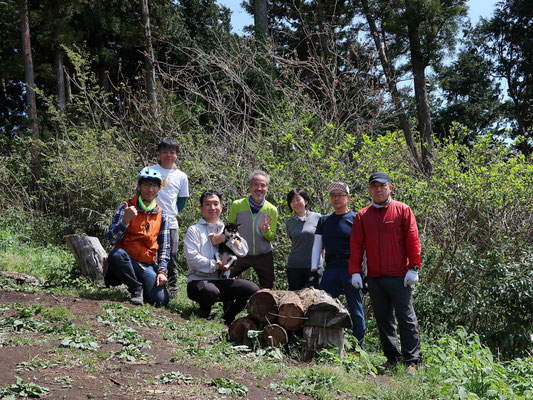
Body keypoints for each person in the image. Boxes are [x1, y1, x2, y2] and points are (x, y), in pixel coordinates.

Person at [349, 172, 421, 373]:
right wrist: (355, 272)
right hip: (374, 277)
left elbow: (413, 240)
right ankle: (392, 359)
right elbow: (356, 245)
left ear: (390, 187)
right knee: (383, 319)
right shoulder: (363, 215)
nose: (378, 189)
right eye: (374, 186)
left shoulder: (402, 210)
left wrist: (414, 267)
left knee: (406, 317)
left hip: (399, 275)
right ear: (369, 190)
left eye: (382, 186)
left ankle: (412, 362)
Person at [183, 190, 260, 325]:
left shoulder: (228, 228)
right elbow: (192, 259)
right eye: (207, 204)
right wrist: (216, 265)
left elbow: (243, 250)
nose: (212, 208)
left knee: (252, 290)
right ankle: (204, 311)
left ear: (221, 207)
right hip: (199, 281)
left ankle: (228, 317)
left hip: (222, 281)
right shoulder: (194, 230)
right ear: (201, 208)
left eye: (215, 204)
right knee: (210, 291)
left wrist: (226, 239)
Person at [311, 181, 365, 347]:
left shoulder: (356, 218)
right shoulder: (324, 220)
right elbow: (317, 245)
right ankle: (326, 345)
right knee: (325, 308)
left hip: (351, 269)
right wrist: (314, 268)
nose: (336, 198)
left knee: (356, 310)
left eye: (340, 195)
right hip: (330, 269)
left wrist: (366, 273)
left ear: (348, 197)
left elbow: (365, 247)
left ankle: (357, 348)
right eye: (333, 195)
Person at [106, 167, 170, 307]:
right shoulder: (126, 207)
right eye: (146, 184)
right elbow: (111, 239)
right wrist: (125, 221)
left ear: (159, 189)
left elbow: (164, 246)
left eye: (154, 185)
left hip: (146, 265)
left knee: (161, 301)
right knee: (116, 255)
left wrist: (162, 271)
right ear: (139, 186)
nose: (150, 189)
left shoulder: (161, 214)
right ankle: (136, 288)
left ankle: (141, 286)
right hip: (125, 260)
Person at [149, 138, 189, 295]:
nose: (168, 155)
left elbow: (182, 200)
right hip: (150, 220)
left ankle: (172, 288)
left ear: (177, 155)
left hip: (171, 223)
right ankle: (151, 285)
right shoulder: (150, 170)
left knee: (171, 255)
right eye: (164, 152)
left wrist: (173, 213)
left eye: (172, 152)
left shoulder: (181, 176)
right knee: (149, 253)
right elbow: (140, 194)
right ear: (159, 153)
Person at [228, 170, 278, 289]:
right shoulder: (237, 205)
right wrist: (236, 245)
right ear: (250, 186)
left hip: (263, 255)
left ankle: (266, 308)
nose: (259, 188)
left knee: (267, 288)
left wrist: (266, 231)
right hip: (240, 253)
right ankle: (229, 306)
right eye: (256, 184)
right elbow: (230, 230)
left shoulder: (271, 209)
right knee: (224, 277)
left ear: (267, 188)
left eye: (263, 185)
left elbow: (271, 237)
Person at [284, 188, 322, 290]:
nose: (295, 203)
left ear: (305, 201)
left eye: (298, 199)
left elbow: (322, 244)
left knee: (316, 301)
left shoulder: (318, 218)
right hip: (294, 267)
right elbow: (294, 241)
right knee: (295, 302)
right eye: (292, 201)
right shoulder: (289, 223)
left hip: (314, 267)